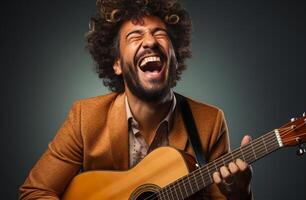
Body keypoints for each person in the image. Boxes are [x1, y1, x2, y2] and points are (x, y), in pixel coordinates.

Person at [19, 0, 253, 199]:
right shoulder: (85, 117)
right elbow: (34, 191)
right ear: (117, 64)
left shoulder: (209, 122)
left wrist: (240, 194)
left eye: (159, 33)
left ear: (174, 57)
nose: (150, 41)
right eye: (135, 35)